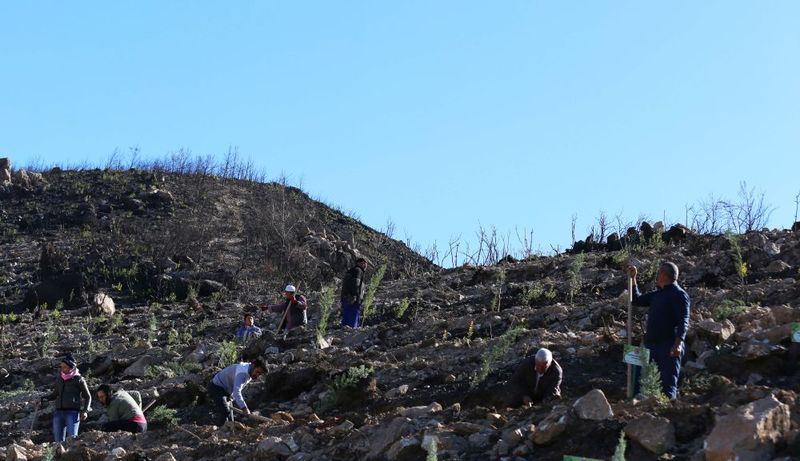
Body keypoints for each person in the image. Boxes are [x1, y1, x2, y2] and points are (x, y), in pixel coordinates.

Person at [628, 262, 690, 400]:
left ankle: (667, 415)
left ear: (663, 275)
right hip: (650, 344)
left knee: (668, 385)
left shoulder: (679, 294)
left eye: (658, 273)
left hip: (668, 346)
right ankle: (634, 406)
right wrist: (633, 278)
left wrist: (678, 343)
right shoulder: (657, 294)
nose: (657, 276)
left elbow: (683, 321)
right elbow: (636, 300)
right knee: (638, 377)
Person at [208, 359, 267, 426]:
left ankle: (226, 427)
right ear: (253, 366)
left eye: (260, 374)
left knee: (228, 412)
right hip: (217, 386)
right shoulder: (242, 372)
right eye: (257, 372)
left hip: (226, 389)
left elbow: (237, 387)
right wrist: (244, 408)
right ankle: (219, 432)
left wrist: (231, 397)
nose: (257, 375)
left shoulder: (249, 370)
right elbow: (237, 392)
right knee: (225, 411)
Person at [49, 354, 92, 442]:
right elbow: (54, 395)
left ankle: (71, 455)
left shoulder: (79, 379)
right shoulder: (59, 379)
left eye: (64, 367)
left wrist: (85, 411)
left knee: (72, 440)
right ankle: (60, 455)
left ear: (71, 367)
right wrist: (42, 399)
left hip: (72, 413)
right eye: (61, 367)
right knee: (58, 442)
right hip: (58, 412)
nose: (62, 369)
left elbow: (88, 396)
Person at [340, 257, 368, 328]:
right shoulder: (358, 271)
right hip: (352, 298)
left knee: (346, 317)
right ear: (358, 263)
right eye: (363, 263)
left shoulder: (351, 270)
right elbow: (356, 283)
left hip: (346, 296)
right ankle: (350, 332)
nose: (365, 265)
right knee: (352, 318)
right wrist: (355, 296)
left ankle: (343, 332)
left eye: (366, 264)